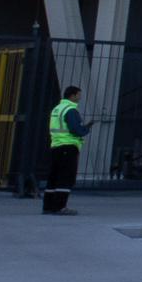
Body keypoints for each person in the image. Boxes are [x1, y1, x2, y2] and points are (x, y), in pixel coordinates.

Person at [43, 85, 88, 215]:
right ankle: (60, 206)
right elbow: (75, 129)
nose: (80, 98)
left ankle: (48, 206)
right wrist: (85, 129)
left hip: (56, 145)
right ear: (72, 96)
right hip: (69, 146)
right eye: (79, 95)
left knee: (53, 176)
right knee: (65, 177)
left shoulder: (57, 108)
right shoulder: (70, 110)